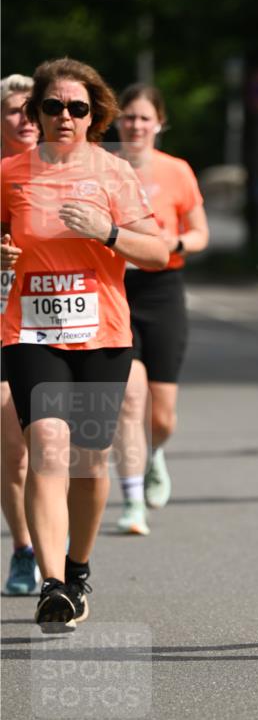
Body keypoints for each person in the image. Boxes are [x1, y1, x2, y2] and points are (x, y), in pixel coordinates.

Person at [1, 57, 168, 630]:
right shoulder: (10, 173)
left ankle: (77, 568)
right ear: (36, 112)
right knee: (46, 443)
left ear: (94, 114)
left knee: (88, 461)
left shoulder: (113, 172)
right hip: (30, 332)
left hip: (102, 334)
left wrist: (109, 232)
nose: (66, 116)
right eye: (54, 106)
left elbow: (158, 251)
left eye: (78, 108)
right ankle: (51, 584)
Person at [112, 84, 209, 535]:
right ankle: (132, 501)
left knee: (162, 415)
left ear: (159, 123)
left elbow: (200, 233)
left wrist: (177, 242)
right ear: (117, 121)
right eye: (128, 117)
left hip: (164, 287)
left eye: (144, 118)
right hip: (114, 288)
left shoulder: (178, 171)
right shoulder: (102, 169)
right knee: (130, 397)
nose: (135, 125)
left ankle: (153, 454)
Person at [1, 74, 40, 594]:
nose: (27, 118)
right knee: (14, 449)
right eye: (13, 111)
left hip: (54, 324)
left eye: (36, 109)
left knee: (52, 446)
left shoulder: (74, 173)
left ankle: (62, 544)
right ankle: (24, 548)